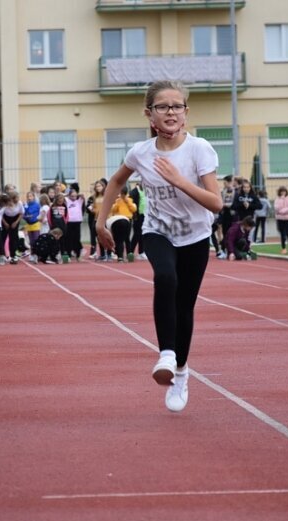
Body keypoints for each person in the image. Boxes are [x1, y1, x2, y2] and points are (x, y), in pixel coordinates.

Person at [96, 80, 222, 413]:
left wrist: (179, 181)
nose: (170, 112)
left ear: (186, 113)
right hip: (157, 231)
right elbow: (117, 181)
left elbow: (216, 203)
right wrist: (100, 220)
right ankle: (166, 353)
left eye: (177, 106)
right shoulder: (141, 152)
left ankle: (181, 372)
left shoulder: (199, 149)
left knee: (184, 307)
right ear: (149, 113)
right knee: (165, 278)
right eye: (163, 106)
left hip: (195, 236)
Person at [107, 185, 137, 262]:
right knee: (119, 239)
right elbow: (113, 210)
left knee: (127, 238)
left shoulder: (130, 200)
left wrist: (126, 201)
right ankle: (120, 255)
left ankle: (129, 254)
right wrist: (117, 202)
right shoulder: (117, 200)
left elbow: (133, 209)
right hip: (118, 219)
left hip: (128, 219)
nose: (122, 195)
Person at [87, 180, 107, 260]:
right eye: (97, 186)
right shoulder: (94, 197)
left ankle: (109, 253)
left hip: (105, 218)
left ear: (103, 187)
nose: (98, 188)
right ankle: (102, 254)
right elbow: (94, 208)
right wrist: (92, 209)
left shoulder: (106, 196)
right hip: (96, 218)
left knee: (105, 236)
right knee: (98, 236)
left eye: (100, 186)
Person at [2, 190, 24, 263]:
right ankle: (2, 255)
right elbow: (0, 214)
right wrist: (5, 223)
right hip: (5, 218)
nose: (18, 199)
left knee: (13, 237)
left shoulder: (19, 203)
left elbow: (21, 213)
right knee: (3, 236)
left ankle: (13, 255)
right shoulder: (5, 204)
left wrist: (16, 222)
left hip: (15, 218)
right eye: (16, 197)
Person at [64, 187, 85, 261]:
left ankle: (78, 255)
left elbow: (82, 195)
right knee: (69, 239)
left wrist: (76, 194)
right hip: (69, 222)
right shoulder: (67, 200)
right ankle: (69, 255)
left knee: (77, 239)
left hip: (77, 222)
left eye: (75, 196)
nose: (74, 197)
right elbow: (60, 195)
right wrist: (67, 194)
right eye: (72, 196)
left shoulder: (79, 201)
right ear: (69, 196)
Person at [129, 181, 147, 260]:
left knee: (142, 234)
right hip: (137, 216)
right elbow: (132, 202)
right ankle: (131, 251)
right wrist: (134, 214)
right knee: (137, 234)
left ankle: (141, 252)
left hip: (145, 215)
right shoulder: (135, 191)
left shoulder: (146, 191)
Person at [274, 186, 288, 254]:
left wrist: (282, 211)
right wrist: (281, 200)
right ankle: (283, 248)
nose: (283, 193)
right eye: (282, 191)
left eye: (284, 191)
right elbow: (276, 208)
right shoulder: (277, 199)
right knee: (282, 234)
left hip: (287, 218)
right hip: (280, 219)